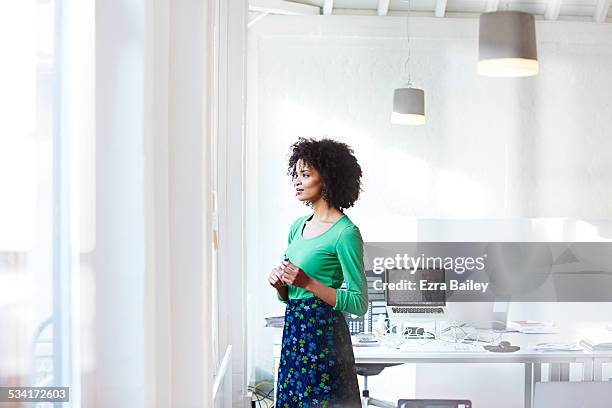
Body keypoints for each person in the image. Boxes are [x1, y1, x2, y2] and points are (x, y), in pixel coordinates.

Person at [269, 137, 368, 407]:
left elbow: (359, 303)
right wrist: (280, 285)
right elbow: (291, 294)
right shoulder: (297, 226)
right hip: (294, 335)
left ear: (326, 178)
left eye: (305, 174)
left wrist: (309, 282)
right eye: (296, 174)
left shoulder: (346, 233)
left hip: (324, 339)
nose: (297, 182)